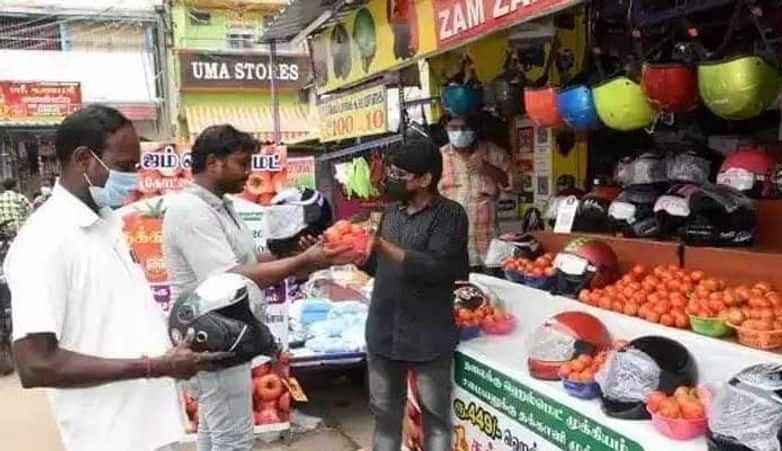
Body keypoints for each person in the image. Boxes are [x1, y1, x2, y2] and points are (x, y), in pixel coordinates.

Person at [3, 105, 228, 451]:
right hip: (110, 437)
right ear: (84, 159)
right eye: (124, 167)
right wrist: (153, 366)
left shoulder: (108, 223)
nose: (134, 178)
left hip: (152, 428)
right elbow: (35, 364)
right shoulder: (43, 242)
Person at [162, 124, 356, 451]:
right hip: (214, 338)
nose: (248, 173)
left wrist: (290, 253)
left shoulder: (221, 206)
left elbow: (249, 261)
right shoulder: (190, 210)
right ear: (213, 163)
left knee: (216, 431)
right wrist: (302, 261)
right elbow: (230, 278)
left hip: (227, 334)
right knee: (233, 439)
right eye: (241, 164)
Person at [363, 138, 469, 451]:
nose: (392, 179)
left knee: (435, 419)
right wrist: (353, 251)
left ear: (425, 179)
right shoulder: (391, 212)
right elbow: (376, 266)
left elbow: (439, 268)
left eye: (400, 174)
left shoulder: (450, 215)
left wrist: (383, 246)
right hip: (383, 332)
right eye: (391, 172)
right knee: (384, 418)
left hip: (428, 336)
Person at [438, 114, 512, 272]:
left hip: (487, 241)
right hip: (453, 243)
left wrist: (487, 168)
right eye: (454, 128)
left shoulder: (494, 153)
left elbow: (513, 185)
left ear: (474, 129)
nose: (460, 132)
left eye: (464, 128)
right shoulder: (439, 157)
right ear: (446, 128)